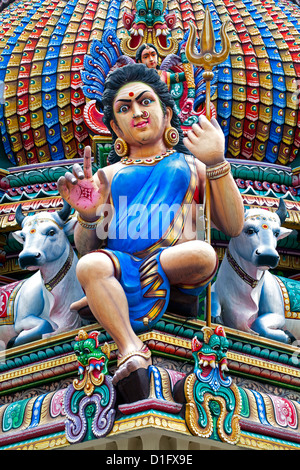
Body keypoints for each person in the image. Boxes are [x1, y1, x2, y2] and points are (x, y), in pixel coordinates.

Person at [57, 64, 244, 385]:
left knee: (203, 255)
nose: (138, 112)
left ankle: (115, 295)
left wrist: (216, 162)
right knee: (89, 266)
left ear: (168, 114)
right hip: (120, 262)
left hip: (178, 263)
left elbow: (234, 225)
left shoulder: (191, 165)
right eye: (125, 108)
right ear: (115, 128)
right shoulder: (108, 176)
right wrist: (87, 216)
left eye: (146, 102)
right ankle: (130, 347)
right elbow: (87, 246)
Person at [135, 43, 195, 122]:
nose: (151, 59)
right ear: (140, 61)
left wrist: (187, 59)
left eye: (153, 55)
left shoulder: (164, 75)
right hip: (144, 113)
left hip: (166, 113)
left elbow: (187, 76)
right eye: (146, 57)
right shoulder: (136, 79)